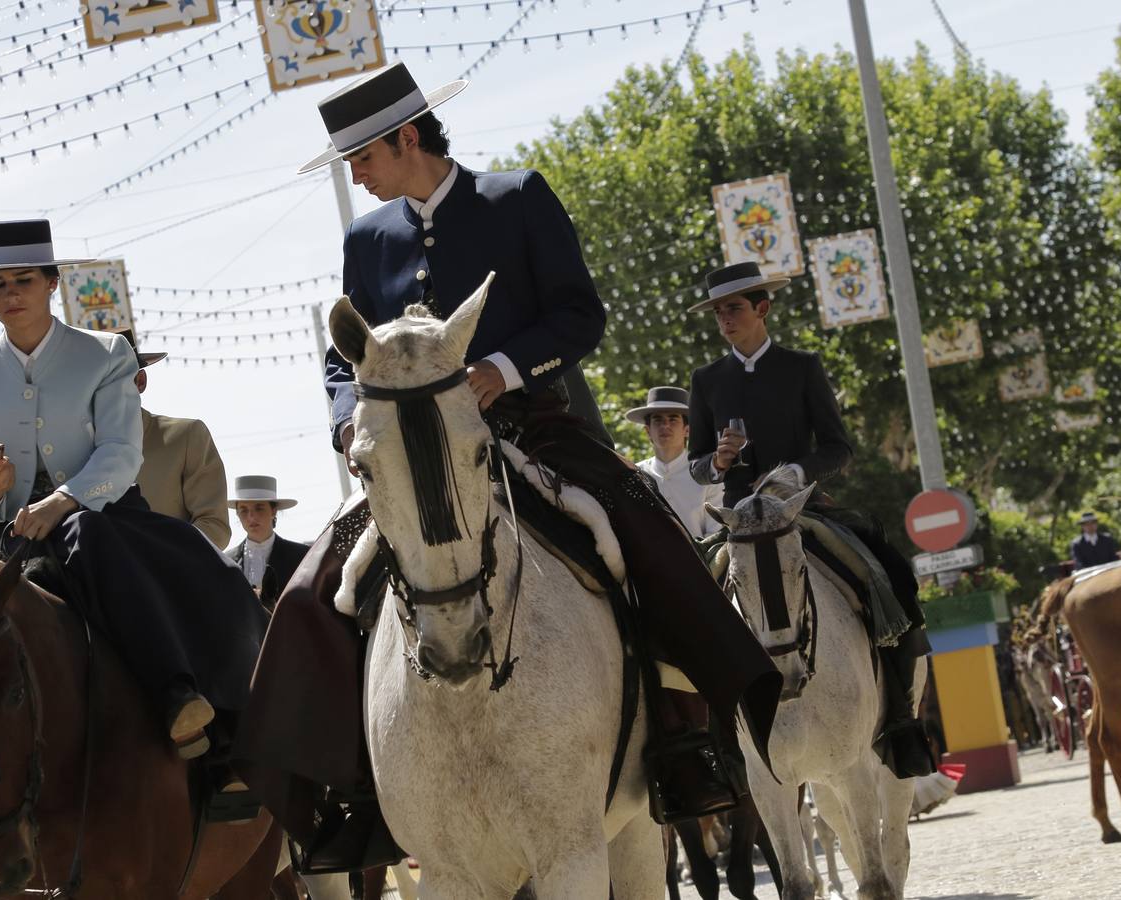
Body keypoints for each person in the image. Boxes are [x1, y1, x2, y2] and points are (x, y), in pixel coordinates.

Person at [245, 63, 781, 873]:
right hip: (411, 455)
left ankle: (686, 743)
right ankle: (354, 786)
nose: (354, 173)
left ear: (406, 136)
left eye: (361, 155)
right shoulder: (365, 240)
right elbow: (341, 357)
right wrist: (344, 415)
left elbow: (579, 314)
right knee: (315, 588)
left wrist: (501, 366)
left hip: (533, 428)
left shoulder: (516, 195)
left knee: (644, 537)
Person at [0, 219, 265, 798]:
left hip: (110, 521)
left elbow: (120, 452)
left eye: (23, 280)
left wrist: (63, 500)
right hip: (14, 538)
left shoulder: (106, 353)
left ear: (52, 283)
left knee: (194, 579)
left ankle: (189, 705)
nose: (11, 294)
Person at [686, 261, 936, 780]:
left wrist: (794, 472)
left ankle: (901, 721)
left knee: (884, 574)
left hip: (803, 511)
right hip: (737, 519)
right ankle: (715, 752)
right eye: (717, 312)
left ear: (763, 308)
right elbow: (697, 462)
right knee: (688, 608)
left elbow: (839, 448)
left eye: (733, 308)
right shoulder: (705, 379)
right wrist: (720, 463)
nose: (724, 319)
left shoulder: (802, 366)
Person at [116, 328, 232, 550]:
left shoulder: (186, 437)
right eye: (98, 382)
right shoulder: (76, 450)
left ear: (140, 381)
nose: (107, 392)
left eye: (117, 380)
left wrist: (158, 559)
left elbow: (214, 527)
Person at [627, 386, 723, 539]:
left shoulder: (708, 476)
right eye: (658, 420)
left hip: (698, 562)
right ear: (647, 431)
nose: (665, 426)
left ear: (687, 430)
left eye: (673, 419)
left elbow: (716, 535)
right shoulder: (635, 475)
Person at [227, 475, 311, 610]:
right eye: (243, 510)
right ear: (237, 513)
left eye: (259, 508)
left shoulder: (303, 557)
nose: (251, 517)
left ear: (274, 511)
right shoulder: (226, 562)